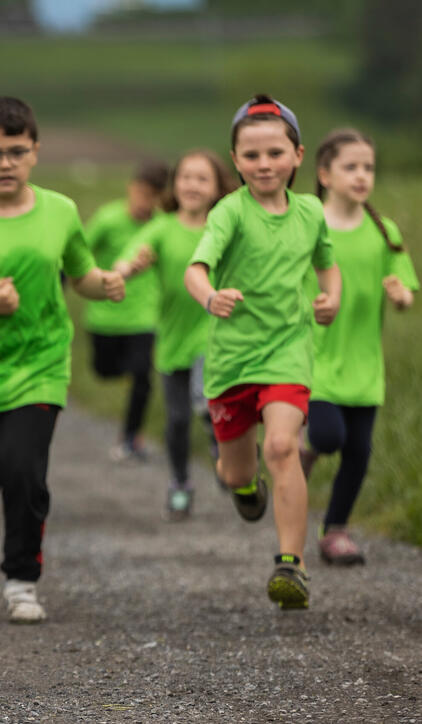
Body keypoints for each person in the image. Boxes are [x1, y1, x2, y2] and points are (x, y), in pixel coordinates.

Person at [0, 96, 125, 624]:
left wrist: (101, 284)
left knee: (23, 471)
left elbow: (80, 271)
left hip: (42, 364)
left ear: (35, 151)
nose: (5, 163)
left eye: (16, 151)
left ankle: (21, 581)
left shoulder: (60, 211)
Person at [184, 95, 341, 609]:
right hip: (232, 362)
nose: (264, 164)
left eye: (275, 153)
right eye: (251, 156)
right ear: (235, 160)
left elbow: (327, 263)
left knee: (281, 448)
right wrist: (210, 296)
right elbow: (196, 268)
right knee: (235, 473)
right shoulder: (230, 212)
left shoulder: (312, 211)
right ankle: (245, 487)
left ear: (297, 155)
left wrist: (330, 296)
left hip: (288, 353)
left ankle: (290, 566)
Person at [301, 128, 418, 565]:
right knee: (329, 436)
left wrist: (401, 296)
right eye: (351, 167)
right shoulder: (310, 227)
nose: (362, 175)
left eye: (368, 167)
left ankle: (336, 531)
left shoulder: (382, 229)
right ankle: (305, 448)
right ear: (325, 174)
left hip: (365, 363)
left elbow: (404, 284)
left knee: (359, 452)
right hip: (316, 358)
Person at [115, 150, 237, 519]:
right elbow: (126, 260)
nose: (192, 185)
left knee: (206, 399)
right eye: (185, 177)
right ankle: (181, 482)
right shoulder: (163, 227)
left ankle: (226, 458)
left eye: (202, 178)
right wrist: (128, 268)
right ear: (174, 184)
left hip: (215, 333)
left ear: (218, 187)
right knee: (178, 419)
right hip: (171, 337)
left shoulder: (225, 226)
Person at [84, 160, 169, 461]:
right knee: (103, 371)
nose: (145, 203)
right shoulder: (108, 219)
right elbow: (79, 253)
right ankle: (125, 372)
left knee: (142, 375)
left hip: (143, 316)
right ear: (131, 189)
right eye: (142, 193)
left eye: (153, 197)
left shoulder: (161, 224)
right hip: (104, 315)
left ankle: (131, 437)